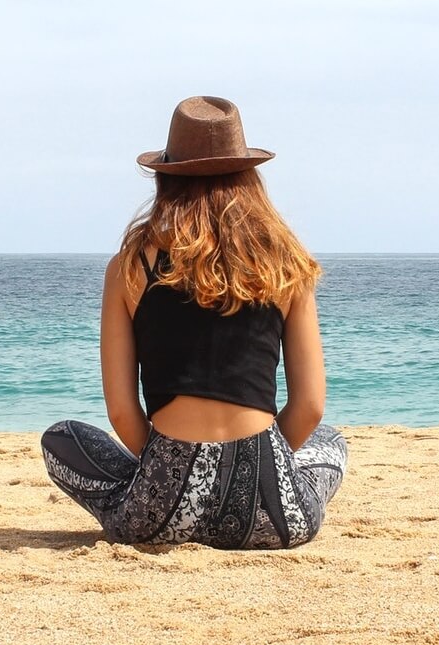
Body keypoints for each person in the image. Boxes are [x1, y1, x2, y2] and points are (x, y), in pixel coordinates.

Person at [40, 96, 348, 549]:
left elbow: (123, 413)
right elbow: (310, 409)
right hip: (274, 517)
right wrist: (256, 464)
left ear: (166, 178)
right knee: (330, 441)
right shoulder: (286, 265)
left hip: (162, 515)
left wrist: (174, 467)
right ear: (249, 178)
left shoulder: (129, 267)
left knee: (61, 438)